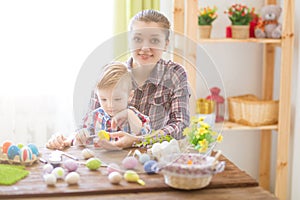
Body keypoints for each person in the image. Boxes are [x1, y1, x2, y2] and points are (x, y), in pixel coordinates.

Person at [46, 9, 190, 150]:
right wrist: (68, 139)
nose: (145, 48)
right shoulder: (108, 74)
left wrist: (140, 140)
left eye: (154, 40)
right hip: (110, 159)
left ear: (165, 44)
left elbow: (180, 125)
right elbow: (90, 122)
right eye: (138, 39)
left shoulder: (175, 74)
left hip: (154, 156)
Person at [46, 62, 151, 150]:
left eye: (117, 99)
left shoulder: (134, 115)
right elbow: (79, 136)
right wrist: (73, 139)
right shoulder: (94, 117)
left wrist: (130, 115)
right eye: (104, 99)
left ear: (130, 96)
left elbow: (146, 138)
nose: (110, 105)